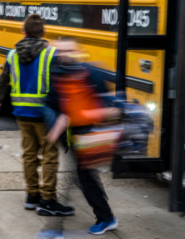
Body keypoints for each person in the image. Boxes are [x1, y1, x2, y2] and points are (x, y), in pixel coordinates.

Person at [0, 14, 74, 217]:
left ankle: (32, 196)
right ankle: (48, 200)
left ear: (24, 32)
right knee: (49, 157)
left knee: (29, 155)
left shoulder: (12, 55)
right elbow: (63, 83)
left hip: (22, 113)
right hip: (46, 115)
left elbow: (3, 80)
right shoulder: (52, 53)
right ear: (44, 32)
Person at [45, 39, 120, 235]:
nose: (65, 53)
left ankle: (106, 217)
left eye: (70, 49)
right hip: (73, 139)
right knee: (85, 177)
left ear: (78, 51)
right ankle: (104, 215)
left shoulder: (93, 74)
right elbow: (52, 103)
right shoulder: (56, 75)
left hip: (90, 137)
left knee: (84, 177)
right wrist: (55, 127)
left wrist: (87, 115)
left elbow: (106, 107)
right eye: (61, 50)